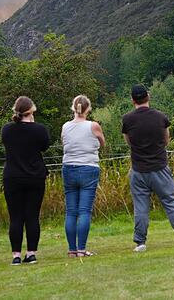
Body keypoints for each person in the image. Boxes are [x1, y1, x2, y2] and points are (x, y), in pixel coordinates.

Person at [122, 84, 174, 252]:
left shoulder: (127, 119)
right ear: (148, 96)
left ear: (133, 100)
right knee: (170, 203)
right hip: (160, 167)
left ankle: (140, 242)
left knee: (141, 207)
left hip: (139, 169)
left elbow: (128, 142)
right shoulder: (161, 117)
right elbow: (166, 139)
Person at [2, 96, 50, 265]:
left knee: (15, 217)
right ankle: (31, 253)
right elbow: (44, 146)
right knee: (32, 216)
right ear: (31, 111)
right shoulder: (40, 130)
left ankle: (16, 255)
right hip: (35, 176)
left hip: (12, 177)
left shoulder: (7, 130)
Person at [62, 95, 106, 258]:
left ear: (73, 108)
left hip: (69, 168)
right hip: (88, 167)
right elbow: (103, 143)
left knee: (71, 211)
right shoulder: (93, 126)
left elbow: (64, 143)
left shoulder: (65, 126)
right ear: (88, 109)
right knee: (85, 211)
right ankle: (81, 248)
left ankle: (72, 249)